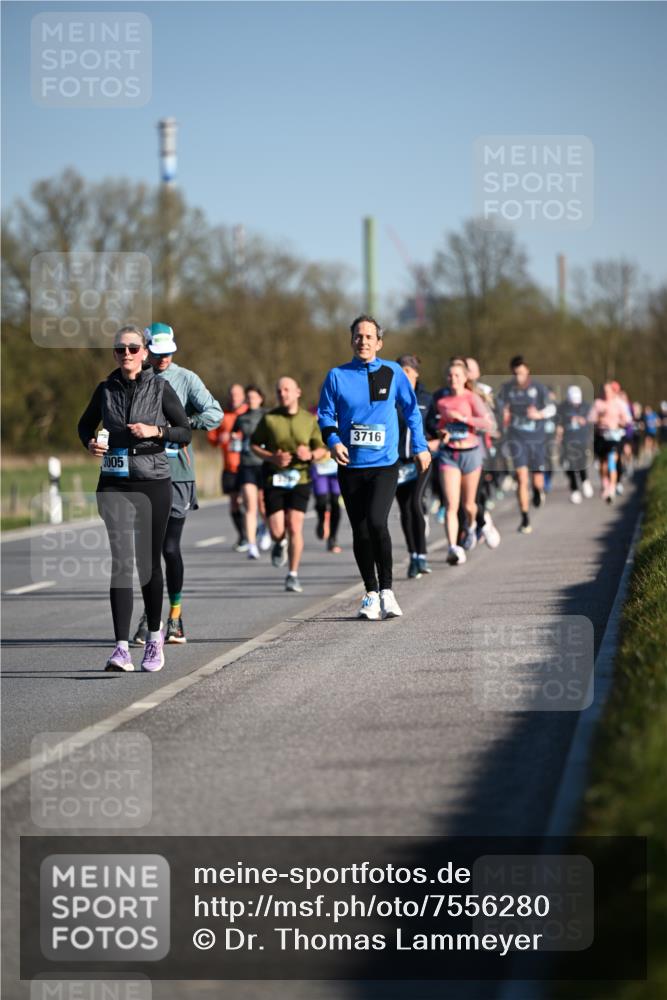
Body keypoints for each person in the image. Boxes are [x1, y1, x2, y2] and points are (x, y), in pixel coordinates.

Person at [78, 325, 191, 672]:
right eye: (119, 349)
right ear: (114, 354)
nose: (126, 354)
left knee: (147, 563)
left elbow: (184, 431)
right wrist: (90, 443)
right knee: (121, 563)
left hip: (152, 482)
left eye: (132, 348)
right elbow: (84, 425)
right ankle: (121, 648)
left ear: (145, 353)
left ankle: (155, 639)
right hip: (113, 483)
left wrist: (156, 431)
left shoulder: (160, 387)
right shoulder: (105, 389)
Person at [317, 315, 431, 619]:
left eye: (369, 337)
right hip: (350, 464)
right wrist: (334, 441)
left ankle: (388, 592)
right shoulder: (337, 376)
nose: (363, 341)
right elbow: (325, 415)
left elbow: (411, 412)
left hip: (384, 464)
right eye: (358, 336)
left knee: (378, 523)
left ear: (379, 343)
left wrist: (420, 447)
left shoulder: (393, 373)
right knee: (360, 530)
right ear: (351, 340)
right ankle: (369, 593)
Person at [131, 323, 222, 646]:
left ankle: (175, 617)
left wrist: (182, 425)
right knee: (147, 552)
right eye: (157, 353)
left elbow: (215, 414)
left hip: (178, 473)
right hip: (142, 471)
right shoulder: (135, 378)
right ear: (146, 350)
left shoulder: (186, 379)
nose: (164, 358)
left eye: (168, 352)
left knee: (169, 548)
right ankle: (149, 616)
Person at [251, 377, 327, 592]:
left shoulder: (309, 420)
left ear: (297, 392)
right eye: (279, 390)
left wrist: (310, 454)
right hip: (274, 478)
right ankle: (279, 542)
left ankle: (292, 575)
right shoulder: (270, 419)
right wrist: (271, 457)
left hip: (300, 479)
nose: (282, 394)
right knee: (277, 530)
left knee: (294, 526)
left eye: (286, 389)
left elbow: (322, 450)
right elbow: (254, 444)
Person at [435, 359, 494, 565]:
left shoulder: (472, 398)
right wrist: (442, 432)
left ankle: (471, 527)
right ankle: (453, 547)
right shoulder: (442, 402)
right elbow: (441, 425)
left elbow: (487, 423)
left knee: (469, 505)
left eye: (457, 375)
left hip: (471, 453)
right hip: (449, 455)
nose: (453, 379)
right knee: (451, 504)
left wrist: (464, 418)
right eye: (450, 376)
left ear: (465, 378)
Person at [497, 356, 556, 534]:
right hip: (517, 438)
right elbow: (498, 408)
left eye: (521, 373)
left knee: (536, 479)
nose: (519, 377)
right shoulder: (507, 389)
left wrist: (539, 414)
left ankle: (538, 491)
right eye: (515, 374)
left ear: (527, 371)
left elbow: (552, 408)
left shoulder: (538, 388)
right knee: (521, 478)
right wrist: (503, 413)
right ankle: (525, 518)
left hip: (536, 438)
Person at [395, 354, 438, 578]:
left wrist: (440, 434)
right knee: (404, 510)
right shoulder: (390, 397)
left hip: (420, 461)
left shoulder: (425, 397)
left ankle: (422, 555)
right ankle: (414, 556)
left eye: (408, 372)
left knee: (415, 505)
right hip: (397, 462)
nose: (404, 376)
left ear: (416, 374)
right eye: (400, 372)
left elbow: (432, 424)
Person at [207, 384, 248, 550]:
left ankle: (261, 530)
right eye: (232, 395)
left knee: (255, 502)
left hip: (248, 466)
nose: (234, 398)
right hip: (230, 466)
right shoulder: (222, 416)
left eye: (237, 395)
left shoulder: (250, 413)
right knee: (234, 503)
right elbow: (212, 438)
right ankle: (243, 536)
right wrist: (219, 439)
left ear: (243, 396)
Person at [232, 384, 270, 560]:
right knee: (250, 506)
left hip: (263, 464)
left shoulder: (267, 416)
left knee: (263, 505)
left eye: (255, 397)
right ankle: (252, 545)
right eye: (249, 397)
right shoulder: (241, 418)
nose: (252, 400)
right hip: (246, 464)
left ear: (261, 398)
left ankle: (266, 530)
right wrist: (234, 439)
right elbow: (234, 435)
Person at [589, 382, 632, 502]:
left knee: (612, 461)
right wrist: (599, 418)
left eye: (608, 391)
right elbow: (590, 419)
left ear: (613, 392)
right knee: (603, 464)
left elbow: (628, 419)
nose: (606, 393)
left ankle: (612, 489)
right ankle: (605, 484)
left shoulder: (619, 404)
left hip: (614, 437)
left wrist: (620, 423)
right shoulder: (598, 403)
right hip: (601, 437)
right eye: (604, 391)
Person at [557, 385, 594, 503]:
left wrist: (585, 422)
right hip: (568, 441)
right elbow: (558, 423)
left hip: (582, 440)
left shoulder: (586, 407)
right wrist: (558, 434)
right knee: (570, 466)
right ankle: (574, 490)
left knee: (581, 463)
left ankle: (585, 480)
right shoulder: (562, 408)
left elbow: (591, 422)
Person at [311, 451, 343, 555]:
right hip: (319, 468)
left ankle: (332, 538)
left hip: (336, 468)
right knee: (321, 501)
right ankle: (321, 520)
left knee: (335, 503)